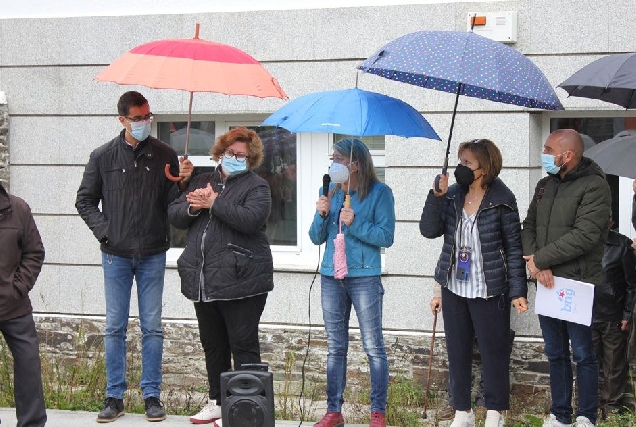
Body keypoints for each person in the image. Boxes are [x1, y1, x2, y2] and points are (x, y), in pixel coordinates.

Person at [76, 91, 194, 423]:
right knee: (115, 327)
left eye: (148, 117)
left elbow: (175, 206)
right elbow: (84, 201)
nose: (144, 123)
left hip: (153, 252)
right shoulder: (102, 157)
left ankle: (152, 396)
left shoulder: (165, 154)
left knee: (152, 327)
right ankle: (114, 397)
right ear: (123, 120)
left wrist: (183, 182)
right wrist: (106, 231)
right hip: (115, 254)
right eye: (138, 118)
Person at [167, 127, 274, 426]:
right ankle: (217, 401)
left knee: (242, 343)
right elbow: (174, 214)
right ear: (220, 153)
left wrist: (215, 204)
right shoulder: (203, 180)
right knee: (213, 343)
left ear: (250, 159)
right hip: (204, 279)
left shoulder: (257, 187)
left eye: (241, 155)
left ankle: (247, 408)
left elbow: (252, 220)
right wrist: (192, 204)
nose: (235, 158)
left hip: (242, 280)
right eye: (230, 153)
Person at [420, 138, 528, 427]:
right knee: (457, 350)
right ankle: (462, 410)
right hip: (454, 286)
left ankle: (494, 411)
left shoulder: (503, 199)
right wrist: (436, 196)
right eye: (460, 161)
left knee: (494, 352)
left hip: (489, 288)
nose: (461, 167)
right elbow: (429, 231)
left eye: (467, 162)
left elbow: (514, 248)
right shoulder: (452, 194)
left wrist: (518, 290)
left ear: (484, 167)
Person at [521, 129, 611, 427]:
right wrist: (537, 263)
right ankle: (560, 414)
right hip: (547, 283)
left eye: (548, 149)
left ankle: (586, 415)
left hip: (577, 284)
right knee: (555, 352)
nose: (544, 153)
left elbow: (585, 236)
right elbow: (528, 227)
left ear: (567, 155)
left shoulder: (595, 186)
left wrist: (541, 260)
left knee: (583, 353)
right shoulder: (545, 185)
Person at [309, 138, 395, 427]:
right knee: (336, 347)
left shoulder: (380, 193)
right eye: (332, 157)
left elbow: (386, 237)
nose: (333, 163)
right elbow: (315, 237)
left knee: (373, 346)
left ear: (355, 164)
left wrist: (355, 221)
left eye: (339, 158)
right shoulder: (331, 192)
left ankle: (377, 413)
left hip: (364, 276)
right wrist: (322, 214)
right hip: (331, 276)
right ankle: (333, 411)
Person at [0, 182, 47, 427]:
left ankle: (32, 423)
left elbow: (35, 252)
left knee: (28, 365)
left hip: (14, 305)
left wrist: (17, 288)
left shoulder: (18, 209)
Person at [592, 216, 636, 419]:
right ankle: (587, 407)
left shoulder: (622, 244)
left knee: (614, 365)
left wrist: (627, 313)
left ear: (609, 222)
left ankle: (611, 409)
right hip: (585, 314)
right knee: (587, 362)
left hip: (613, 315)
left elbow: (631, 283)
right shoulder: (581, 243)